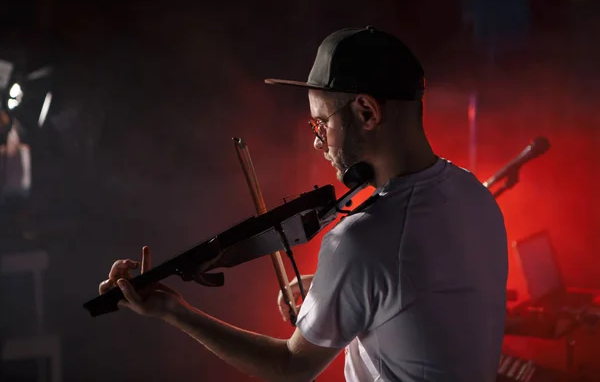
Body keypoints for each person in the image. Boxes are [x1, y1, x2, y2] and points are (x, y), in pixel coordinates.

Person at [99, 26, 508, 381]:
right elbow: (424, 290)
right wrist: (343, 287)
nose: (317, 141)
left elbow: (292, 366)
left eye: (322, 122)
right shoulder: (475, 195)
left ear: (366, 111)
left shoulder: (362, 240)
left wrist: (174, 311)